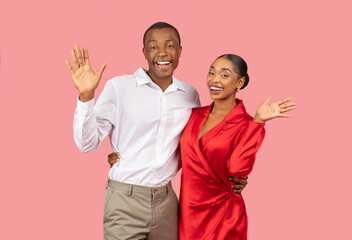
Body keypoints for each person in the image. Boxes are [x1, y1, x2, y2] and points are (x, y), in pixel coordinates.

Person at [65, 22, 248, 240]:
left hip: (167, 202)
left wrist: (230, 176)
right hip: (125, 199)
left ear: (180, 50)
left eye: (170, 45)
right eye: (153, 47)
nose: (162, 52)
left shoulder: (189, 94)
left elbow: (198, 144)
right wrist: (86, 97)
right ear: (144, 52)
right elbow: (87, 144)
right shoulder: (119, 87)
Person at [178, 54, 296, 239]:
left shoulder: (248, 125)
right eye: (211, 72)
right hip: (187, 214)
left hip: (223, 214)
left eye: (224, 75)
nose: (214, 80)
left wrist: (258, 121)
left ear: (239, 82)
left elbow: (237, 169)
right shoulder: (193, 115)